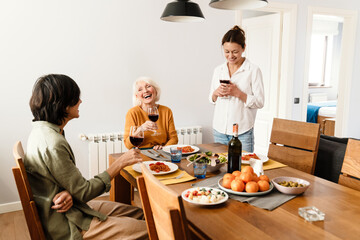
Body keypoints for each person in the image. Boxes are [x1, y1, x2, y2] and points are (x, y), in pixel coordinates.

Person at [25, 74, 148, 240]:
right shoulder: (53, 144)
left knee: (141, 213)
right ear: (62, 104)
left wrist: (70, 192)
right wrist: (121, 162)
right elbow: (84, 191)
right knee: (154, 228)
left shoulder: (42, 132)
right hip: (70, 223)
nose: (80, 102)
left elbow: (68, 185)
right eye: (76, 98)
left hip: (73, 207)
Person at [209, 25, 265, 152]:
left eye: (235, 51)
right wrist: (216, 93)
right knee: (221, 169)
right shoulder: (218, 70)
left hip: (242, 132)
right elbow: (211, 99)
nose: (230, 56)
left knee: (244, 169)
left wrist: (238, 93)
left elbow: (260, 102)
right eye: (227, 51)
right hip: (219, 130)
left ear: (244, 48)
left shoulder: (253, 70)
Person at [124, 76, 178, 150]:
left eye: (148, 86)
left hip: (162, 153)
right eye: (140, 89)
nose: (145, 91)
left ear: (156, 90)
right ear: (137, 96)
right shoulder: (132, 113)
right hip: (140, 154)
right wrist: (141, 129)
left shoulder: (166, 111)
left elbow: (174, 139)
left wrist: (164, 148)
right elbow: (128, 145)